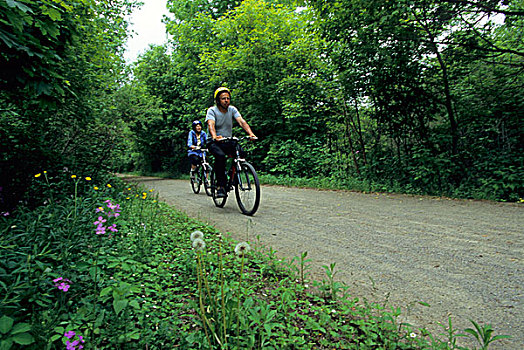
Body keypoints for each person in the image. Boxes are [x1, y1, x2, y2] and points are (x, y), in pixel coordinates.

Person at [206, 87, 257, 198]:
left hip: (227, 141)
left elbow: (241, 121)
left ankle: (233, 176)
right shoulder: (212, 110)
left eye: (228, 98)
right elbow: (211, 125)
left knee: (241, 153)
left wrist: (251, 134)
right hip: (214, 142)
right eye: (223, 98)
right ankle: (220, 186)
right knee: (220, 157)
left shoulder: (232, 109)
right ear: (218, 100)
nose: (226, 100)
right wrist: (214, 136)